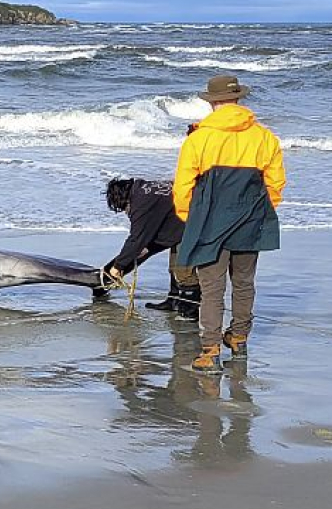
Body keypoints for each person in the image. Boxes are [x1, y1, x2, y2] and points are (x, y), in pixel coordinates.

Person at [174, 75, 285, 374]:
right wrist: (260, 211)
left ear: (212, 103)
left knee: (211, 288)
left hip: (210, 221)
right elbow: (276, 184)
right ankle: (239, 338)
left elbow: (182, 186)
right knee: (244, 283)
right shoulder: (265, 137)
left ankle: (210, 352)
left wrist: (189, 217)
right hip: (251, 219)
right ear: (238, 101)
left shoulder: (199, 138)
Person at [102, 177, 199, 319]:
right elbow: (145, 237)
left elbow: (137, 239)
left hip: (193, 222)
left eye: (123, 208)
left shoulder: (142, 202)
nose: (125, 212)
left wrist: (118, 266)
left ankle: (190, 311)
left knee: (184, 271)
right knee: (174, 267)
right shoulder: (143, 190)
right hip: (181, 220)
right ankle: (173, 301)